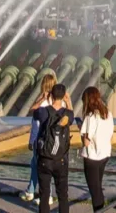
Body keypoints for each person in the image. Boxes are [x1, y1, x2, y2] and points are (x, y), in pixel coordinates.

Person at [34, 84, 73, 213]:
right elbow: (71, 115)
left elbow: (33, 110)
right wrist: (68, 101)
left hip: (45, 158)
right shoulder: (67, 114)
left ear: (51, 95)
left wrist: (42, 98)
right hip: (61, 159)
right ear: (64, 96)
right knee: (63, 196)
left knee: (44, 195)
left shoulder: (44, 111)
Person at [20, 74, 57, 202]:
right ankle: (30, 190)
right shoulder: (57, 102)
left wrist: (31, 141)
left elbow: (33, 113)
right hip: (49, 140)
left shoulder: (44, 102)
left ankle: (47, 195)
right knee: (35, 164)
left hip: (40, 140)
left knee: (42, 167)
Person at [79, 86, 114, 212]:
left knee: (95, 192)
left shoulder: (90, 117)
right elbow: (110, 134)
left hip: (92, 157)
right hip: (104, 155)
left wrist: (82, 133)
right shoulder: (107, 114)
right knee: (98, 187)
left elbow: (86, 143)